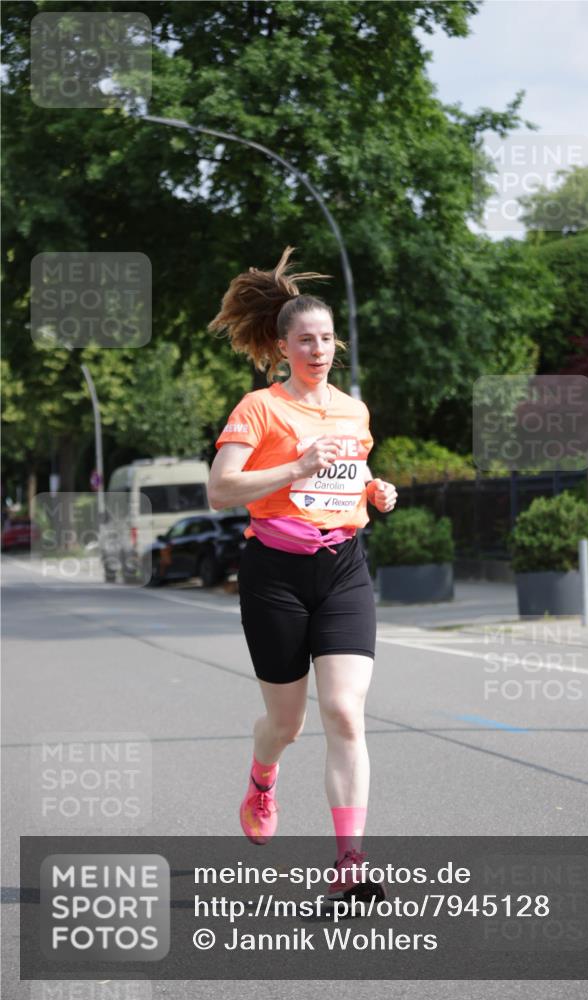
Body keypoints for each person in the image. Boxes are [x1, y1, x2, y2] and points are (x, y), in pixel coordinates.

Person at [207, 246, 397, 902]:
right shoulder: (259, 409)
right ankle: (263, 777)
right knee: (286, 724)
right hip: (275, 575)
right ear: (282, 347)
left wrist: (374, 490)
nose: (316, 349)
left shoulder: (353, 410)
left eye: (325, 339)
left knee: (344, 710)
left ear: (334, 345)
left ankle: (349, 862)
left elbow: (353, 469)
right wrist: (293, 469)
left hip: (342, 566)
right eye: (304, 340)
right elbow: (221, 489)